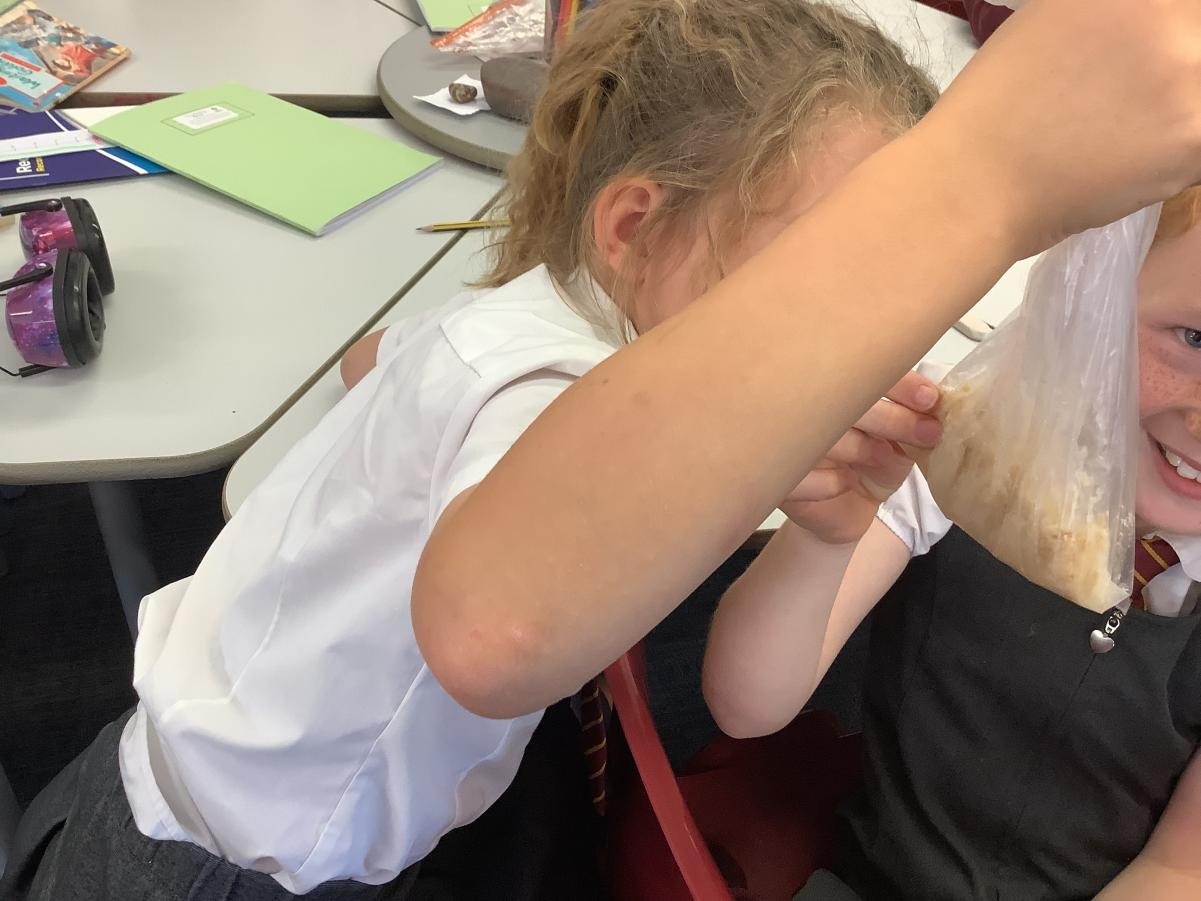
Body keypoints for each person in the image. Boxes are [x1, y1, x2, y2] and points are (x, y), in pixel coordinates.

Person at [7, 0, 1201, 897]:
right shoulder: (549, 383)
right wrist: (985, 178)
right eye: (817, 276)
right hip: (233, 860)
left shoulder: (540, 305)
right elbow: (504, 627)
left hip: (237, 789)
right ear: (635, 226)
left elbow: (379, 358)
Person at [702, 188, 1201, 899]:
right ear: (1093, 305)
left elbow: (1180, 866)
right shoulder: (964, 451)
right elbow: (747, 704)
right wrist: (824, 539)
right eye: (1195, 340)